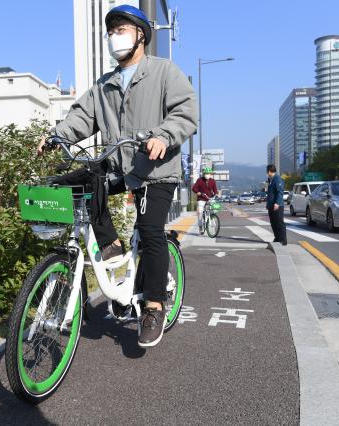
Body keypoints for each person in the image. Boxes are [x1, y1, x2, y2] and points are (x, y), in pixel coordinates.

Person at [39, 4, 197, 348]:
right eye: (111, 31)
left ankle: (154, 306)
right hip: (118, 165)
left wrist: (164, 136)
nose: (115, 37)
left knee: (150, 230)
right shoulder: (104, 84)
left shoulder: (164, 72)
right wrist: (58, 136)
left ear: (141, 35)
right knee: (79, 180)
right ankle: (110, 246)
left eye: (122, 29)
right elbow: (81, 116)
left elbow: (185, 112)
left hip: (155, 171)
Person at [192, 167, 218, 234]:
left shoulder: (212, 181)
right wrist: (197, 192)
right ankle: (200, 225)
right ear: (203, 174)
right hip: (201, 198)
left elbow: (215, 190)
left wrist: (215, 194)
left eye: (209, 173)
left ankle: (212, 217)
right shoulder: (200, 180)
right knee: (200, 212)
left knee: (214, 208)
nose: (207, 174)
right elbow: (194, 188)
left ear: (210, 174)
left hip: (209, 198)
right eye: (206, 173)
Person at [266, 164, 287, 245]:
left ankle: (283, 240)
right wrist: (268, 204)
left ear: (269, 171)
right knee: (273, 222)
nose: (267, 173)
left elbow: (280, 191)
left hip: (277, 205)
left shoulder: (277, 178)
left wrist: (277, 203)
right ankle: (277, 238)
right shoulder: (271, 179)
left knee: (279, 223)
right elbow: (270, 193)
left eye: (267, 172)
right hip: (271, 205)